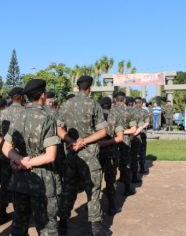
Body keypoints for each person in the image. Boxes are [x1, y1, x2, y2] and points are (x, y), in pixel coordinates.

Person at [1, 79, 60, 235]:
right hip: (42, 180)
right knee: (47, 227)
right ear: (42, 95)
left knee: (20, 224)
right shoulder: (47, 117)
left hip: (20, 179)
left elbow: (6, 147)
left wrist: (20, 160)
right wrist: (27, 162)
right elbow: (50, 156)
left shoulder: (18, 117)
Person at [57, 75, 108, 236]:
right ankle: (96, 229)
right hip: (90, 157)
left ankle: (63, 225)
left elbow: (59, 130)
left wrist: (73, 142)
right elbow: (103, 131)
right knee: (93, 192)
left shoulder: (66, 104)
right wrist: (84, 141)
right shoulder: (94, 104)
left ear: (78, 87)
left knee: (68, 190)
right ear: (90, 87)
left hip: (72, 155)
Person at [0, 87, 24, 225]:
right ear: (21, 97)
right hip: (22, 156)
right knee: (21, 186)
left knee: (4, 184)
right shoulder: (26, 112)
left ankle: (2, 213)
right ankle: (19, 215)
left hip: (6, 155)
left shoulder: (3, 113)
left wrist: (4, 143)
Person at [110, 91, 137, 196]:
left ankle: (112, 189)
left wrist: (117, 133)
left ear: (115, 100)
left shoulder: (111, 111)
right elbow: (133, 129)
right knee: (125, 165)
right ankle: (127, 189)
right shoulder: (129, 111)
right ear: (125, 100)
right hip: (125, 141)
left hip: (113, 141)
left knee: (112, 166)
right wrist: (123, 132)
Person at [97, 96, 119, 215]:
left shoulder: (96, 117)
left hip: (97, 153)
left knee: (95, 181)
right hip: (111, 153)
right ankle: (112, 205)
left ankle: (94, 207)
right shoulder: (114, 116)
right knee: (110, 180)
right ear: (110, 105)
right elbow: (120, 137)